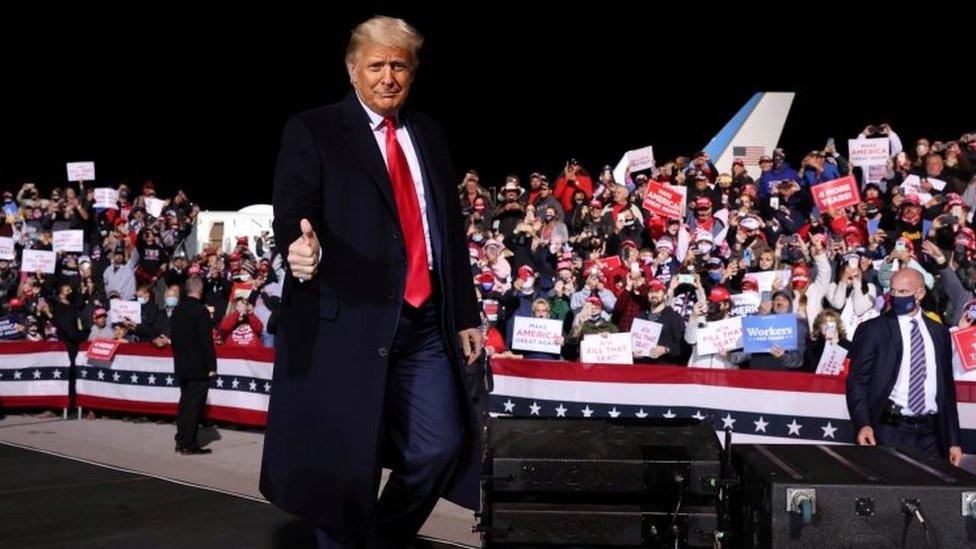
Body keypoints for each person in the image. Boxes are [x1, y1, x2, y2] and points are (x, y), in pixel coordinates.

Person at [260, 16, 486, 549]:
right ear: (352, 68)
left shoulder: (429, 133)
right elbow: (294, 210)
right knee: (343, 467)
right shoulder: (312, 129)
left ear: (413, 71)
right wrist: (298, 245)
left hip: (425, 325)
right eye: (377, 65)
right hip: (347, 324)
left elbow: (445, 230)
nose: (388, 77)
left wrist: (466, 313)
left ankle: (380, 539)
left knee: (440, 448)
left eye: (399, 66)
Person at [847, 269, 962, 466]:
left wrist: (954, 440)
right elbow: (857, 381)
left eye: (902, 292)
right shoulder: (874, 330)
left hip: (931, 433)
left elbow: (946, 390)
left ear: (920, 293)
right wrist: (863, 424)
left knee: (932, 491)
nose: (896, 296)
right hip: (890, 427)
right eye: (893, 291)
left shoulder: (939, 333)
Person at [169, 276, 217, 455]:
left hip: (182, 364)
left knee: (185, 403)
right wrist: (212, 366)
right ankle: (188, 443)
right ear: (200, 290)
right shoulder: (200, 311)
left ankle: (181, 440)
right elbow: (206, 341)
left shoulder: (178, 310)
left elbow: (174, 338)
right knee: (194, 406)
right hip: (198, 367)